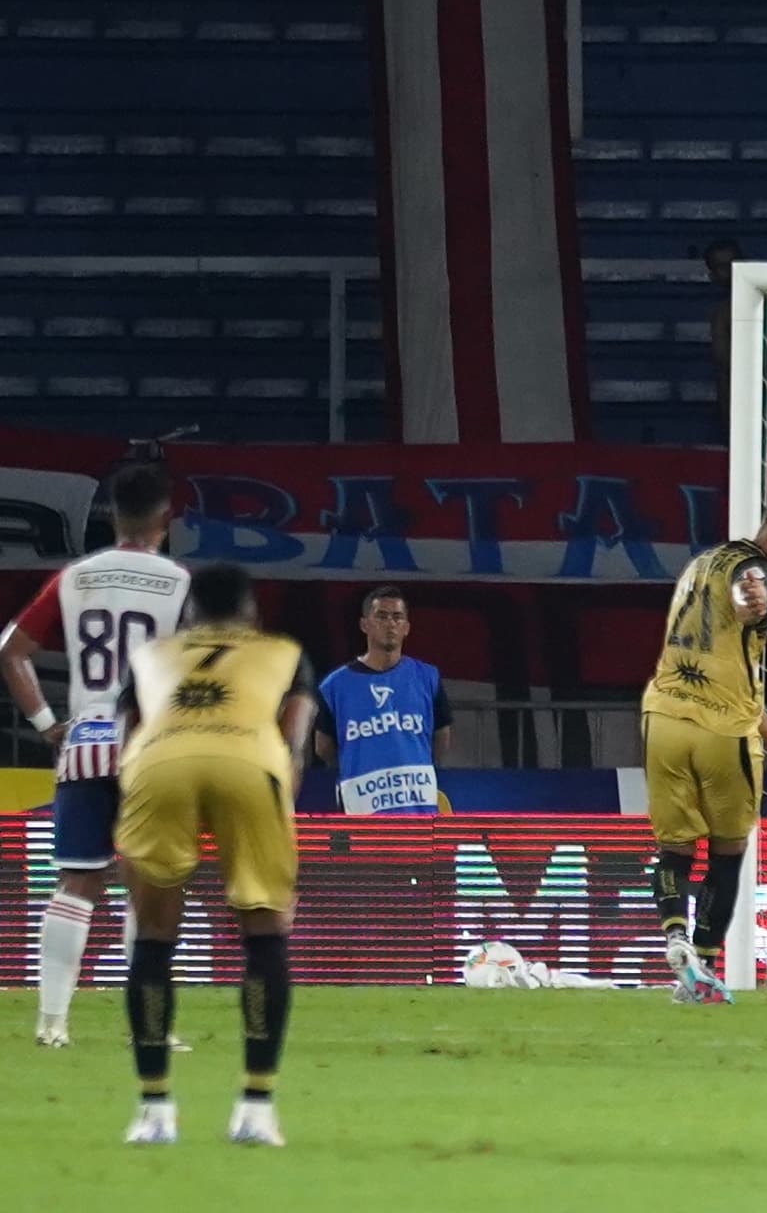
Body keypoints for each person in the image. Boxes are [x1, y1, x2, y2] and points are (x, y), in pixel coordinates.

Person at [111, 564, 314, 1144]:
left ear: (191, 613)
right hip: (250, 761)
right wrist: (277, 804)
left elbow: (128, 733)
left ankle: (154, 1111)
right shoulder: (282, 652)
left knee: (152, 936)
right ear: (250, 612)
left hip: (160, 762)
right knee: (265, 933)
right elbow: (295, 737)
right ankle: (255, 1107)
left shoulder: (154, 653)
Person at [0, 464, 191, 1049]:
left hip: (85, 742)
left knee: (77, 881)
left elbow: (11, 650)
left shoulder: (75, 577)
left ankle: (51, 1022)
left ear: (111, 515)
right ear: (165, 517)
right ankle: (148, 1028)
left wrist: (48, 725)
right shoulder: (178, 582)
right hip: (152, 746)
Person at [640, 488, 767, 1004]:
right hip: (723, 733)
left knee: (674, 846)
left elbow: (723, 667)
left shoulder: (702, 563)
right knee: (728, 850)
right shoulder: (760, 571)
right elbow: (752, 593)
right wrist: (754, 601)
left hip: (662, 717)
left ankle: (675, 934)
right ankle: (704, 970)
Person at [313, 586, 453, 814]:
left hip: (418, 812)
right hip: (362, 812)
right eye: (381, 616)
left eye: (397, 617)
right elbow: (323, 747)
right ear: (364, 624)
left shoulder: (427, 677)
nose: (390, 624)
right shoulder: (335, 685)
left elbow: (441, 738)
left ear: (407, 627)